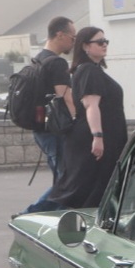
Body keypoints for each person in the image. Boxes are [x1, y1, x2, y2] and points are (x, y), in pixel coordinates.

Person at [49, 27, 128, 210]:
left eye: (106, 41)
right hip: (93, 139)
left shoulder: (92, 70)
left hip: (100, 137)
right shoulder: (88, 71)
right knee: (90, 188)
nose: (104, 45)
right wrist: (98, 137)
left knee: (93, 186)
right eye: (99, 42)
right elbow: (91, 105)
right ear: (85, 46)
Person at [23, 16, 76, 214]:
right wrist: (78, 121)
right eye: (73, 37)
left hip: (41, 130)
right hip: (55, 131)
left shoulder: (39, 58)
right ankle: (30, 215)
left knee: (61, 179)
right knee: (67, 182)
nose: (74, 42)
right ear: (60, 35)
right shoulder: (57, 63)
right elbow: (66, 97)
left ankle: (51, 218)